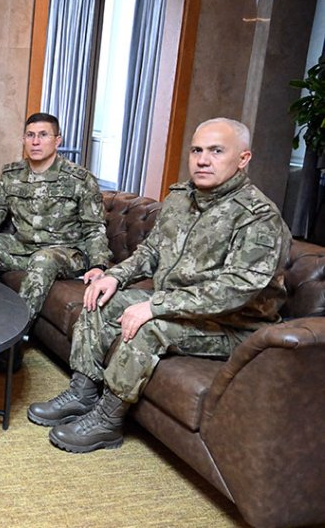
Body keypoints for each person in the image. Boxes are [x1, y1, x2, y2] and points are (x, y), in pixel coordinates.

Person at [28, 118, 291, 453]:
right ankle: (82, 392)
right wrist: (115, 276)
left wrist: (155, 307)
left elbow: (235, 288)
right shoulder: (181, 197)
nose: (203, 160)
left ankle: (108, 421)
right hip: (178, 305)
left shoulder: (258, 216)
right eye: (197, 150)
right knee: (98, 302)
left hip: (234, 324)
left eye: (216, 151)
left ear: (243, 159)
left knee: (149, 329)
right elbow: (152, 251)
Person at [0, 113, 110, 373]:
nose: (35, 142)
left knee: (44, 259)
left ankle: (13, 342)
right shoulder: (12, 174)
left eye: (43, 135)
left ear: (57, 140)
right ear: (23, 139)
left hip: (66, 252)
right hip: (24, 247)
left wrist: (99, 265)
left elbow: (94, 227)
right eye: (30, 135)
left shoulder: (79, 178)